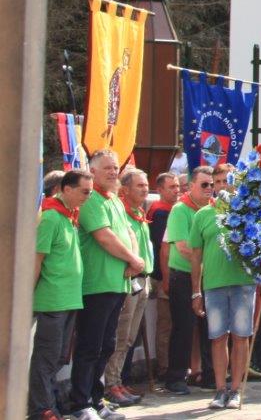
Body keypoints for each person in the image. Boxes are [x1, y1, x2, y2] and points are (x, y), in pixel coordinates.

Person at [69, 149, 147, 420]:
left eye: (116, 167)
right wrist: (132, 259)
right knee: (90, 346)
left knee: (107, 345)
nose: (114, 172)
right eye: (107, 168)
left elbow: (127, 232)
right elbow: (104, 237)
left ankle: (95, 397)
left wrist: (135, 259)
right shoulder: (91, 201)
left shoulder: (114, 199)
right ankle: (80, 403)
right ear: (92, 171)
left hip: (118, 283)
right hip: (96, 284)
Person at [189, 171, 256, 410]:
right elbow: (196, 256)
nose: (221, 185)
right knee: (217, 337)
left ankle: (236, 389)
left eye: (226, 181)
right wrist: (196, 291)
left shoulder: (247, 213)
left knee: (240, 336)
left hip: (243, 284)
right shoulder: (203, 215)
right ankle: (220, 389)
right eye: (216, 182)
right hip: (214, 284)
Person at [31, 169, 92, 420]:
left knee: (58, 358)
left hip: (68, 299)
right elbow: (38, 259)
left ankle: (48, 403)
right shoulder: (51, 218)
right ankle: (42, 409)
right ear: (66, 190)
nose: (88, 197)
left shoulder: (69, 217)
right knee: (46, 357)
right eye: (84, 191)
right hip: (52, 299)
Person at [160, 165, 214, 394]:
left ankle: (211, 375)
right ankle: (176, 377)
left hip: (209, 276)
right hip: (183, 275)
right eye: (204, 184)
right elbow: (182, 247)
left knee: (211, 328)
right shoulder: (180, 210)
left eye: (211, 185)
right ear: (191, 186)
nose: (210, 189)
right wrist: (208, 259)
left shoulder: (214, 210)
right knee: (184, 326)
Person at [103, 167, 152, 408]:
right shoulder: (121, 211)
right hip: (129, 278)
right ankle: (110, 383)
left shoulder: (139, 211)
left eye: (146, 185)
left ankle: (118, 379)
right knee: (121, 335)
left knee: (130, 337)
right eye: (139, 185)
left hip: (142, 279)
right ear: (125, 189)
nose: (145, 189)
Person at [148, 172, 179, 382]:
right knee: (166, 323)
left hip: (176, 274)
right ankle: (164, 367)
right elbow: (163, 247)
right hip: (164, 275)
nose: (176, 190)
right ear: (159, 190)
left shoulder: (175, 210)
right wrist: (165, 279)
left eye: (177, 186)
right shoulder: (159, 212)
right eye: (171, 187)